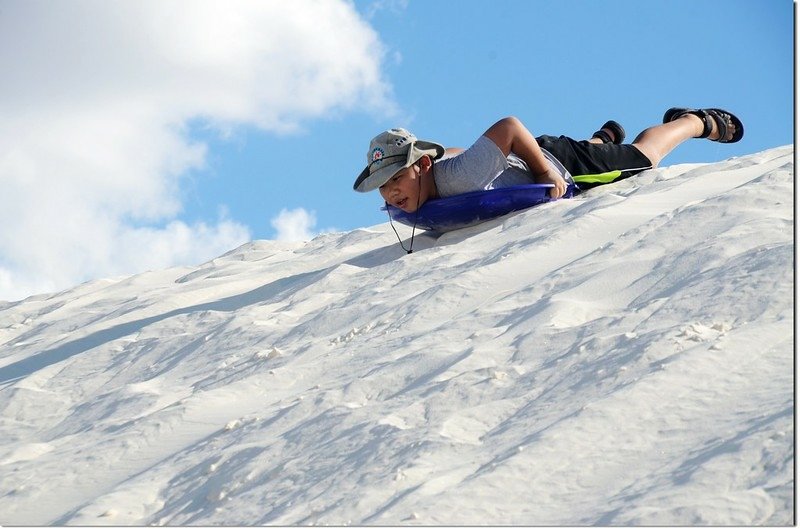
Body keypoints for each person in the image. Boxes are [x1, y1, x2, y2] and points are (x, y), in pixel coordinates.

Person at [352, 108, 744, 216]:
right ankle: (602, 138)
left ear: (421, 167)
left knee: (642, 159)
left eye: (396, 178)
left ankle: (693, 121)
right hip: (527, 154)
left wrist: (543, 173)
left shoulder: (460, 177)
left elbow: (509, 126)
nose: (390, 192)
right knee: (592, 150)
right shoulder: (437, 176)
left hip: (559, 161)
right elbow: (453, 155)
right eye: (384, 186)